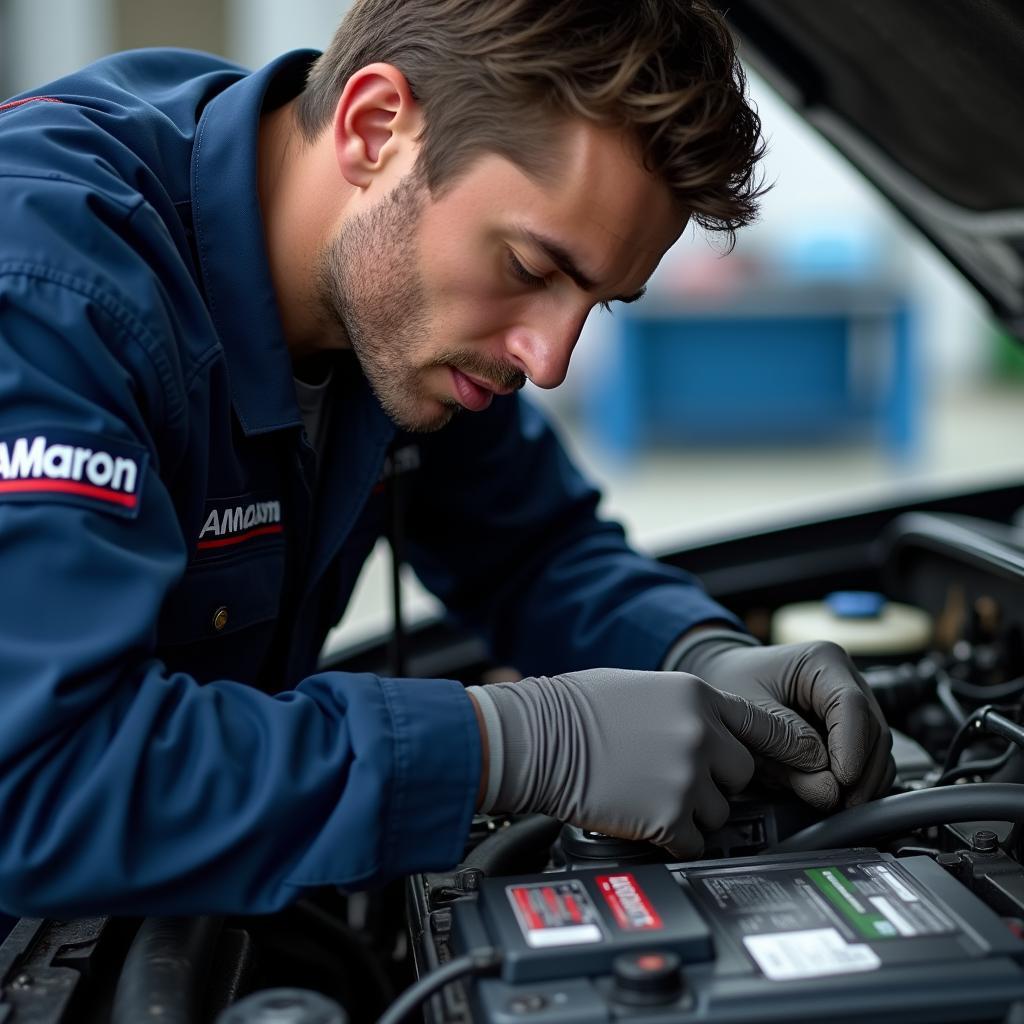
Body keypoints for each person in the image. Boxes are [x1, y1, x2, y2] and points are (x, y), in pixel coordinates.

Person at [0, 0, 893, 922]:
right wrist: (510, 746)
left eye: (599, 302)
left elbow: (531, 551)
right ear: (375, 127)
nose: (548, 361)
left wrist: (697, 653)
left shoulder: (393, 292)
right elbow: (38, 779)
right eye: (530, 268)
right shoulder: (48, 294)